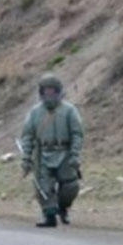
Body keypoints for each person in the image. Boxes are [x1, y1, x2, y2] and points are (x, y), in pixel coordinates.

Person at [19, 73, 84, 228]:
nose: (49, 95)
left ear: (58, 92)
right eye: (46, 91)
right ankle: (49, 215)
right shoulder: (35, 113)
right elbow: (27, 136)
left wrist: (75, 155)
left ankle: (63, 207)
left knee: (71, 186)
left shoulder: (70, 111)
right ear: (41, 93)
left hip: (65, 153)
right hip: (43, 154)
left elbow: (77, 134)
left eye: (52, 91)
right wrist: (26, 158)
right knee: (43, 187)